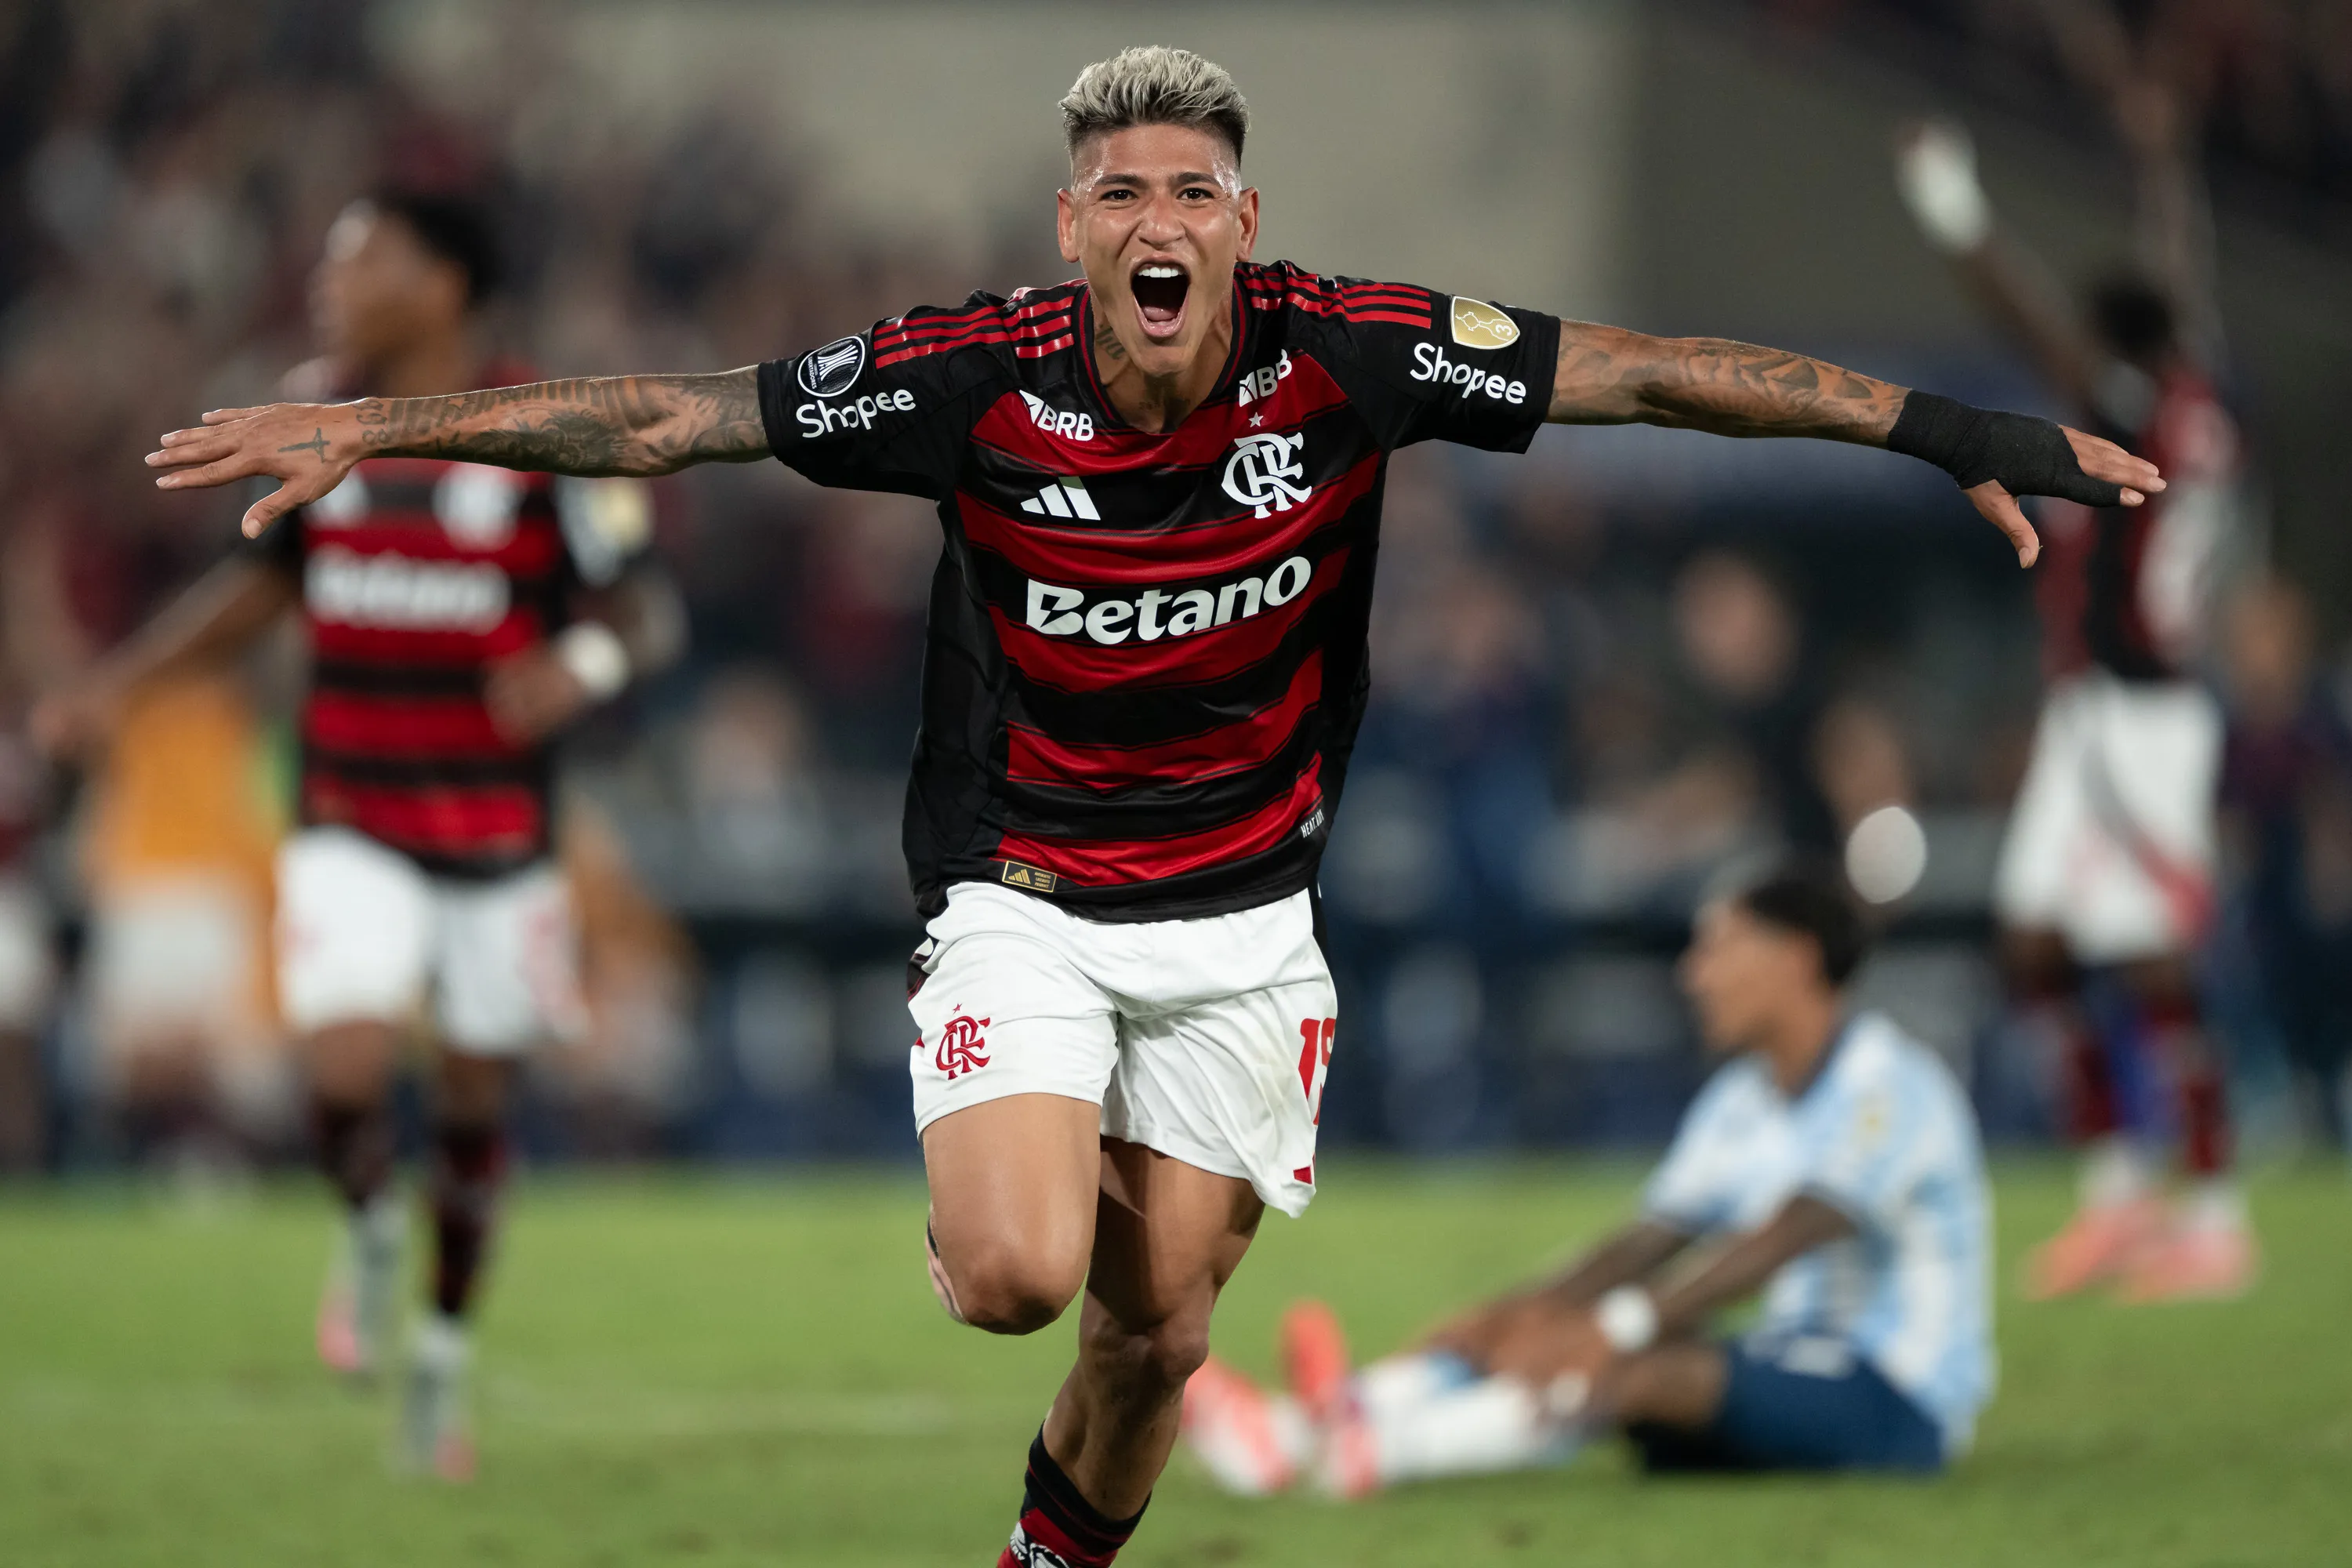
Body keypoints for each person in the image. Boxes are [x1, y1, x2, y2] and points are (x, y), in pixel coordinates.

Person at [139, 49, 2154, 1565]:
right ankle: (995, 1148)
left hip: (1247, 926)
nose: (1157, 215)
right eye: (1120, 189)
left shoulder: (1353, 354)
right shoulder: (963, 379)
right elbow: (675, 419)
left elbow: (1645, 374)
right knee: (1024, 1273)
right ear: (1073, 228)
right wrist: (380, 424)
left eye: (1193, 185)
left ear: (1241, 222)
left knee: (1157, 1341)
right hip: (1022, 891)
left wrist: (1940, 429)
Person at [36, 189, 681, 1479]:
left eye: (361, 259)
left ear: (443, 284)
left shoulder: (545, 428)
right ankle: (372, 1222)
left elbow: (645, 610)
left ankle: (439, 1354)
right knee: (342, 1068)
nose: (330, 283)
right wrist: (122, 685)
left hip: (502, 833)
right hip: (349, 809)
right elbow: (261, 590)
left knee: (473, 1111)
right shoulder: (313, 413)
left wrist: (581, 669)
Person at [1183, 862, 1993, 1493]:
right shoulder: (1743, 1095)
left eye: (1719, 947)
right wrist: (1524, 1308)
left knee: (1635, 1365)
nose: (1695, 974)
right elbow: (1652, 1237)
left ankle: (1380, 1451)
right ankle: (1302, 1428)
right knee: (1546, 1329)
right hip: (1788, 1361)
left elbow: (1780, 1240)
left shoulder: (1888, 1086)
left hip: (1898, 1399)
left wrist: (1618, 1326)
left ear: (1796, 958)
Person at [1895, 45, 2252, 1301]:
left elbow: (2030, 322)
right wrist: (2163, 163)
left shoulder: (2136, 409)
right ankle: (2119, 1194)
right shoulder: (2188, 384)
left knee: (2152, 961)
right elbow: (2175, 274)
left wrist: (1951, 208)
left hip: (2146, 718)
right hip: (2096, 708)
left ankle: (2216, 1218)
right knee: (2038, 942)